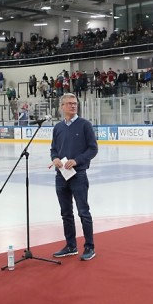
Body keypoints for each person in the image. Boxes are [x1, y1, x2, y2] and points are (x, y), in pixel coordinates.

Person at [50, 93, 99, 261]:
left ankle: (89, 247)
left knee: (83, 212)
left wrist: (77, 161)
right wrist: (55, 159)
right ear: (62, 107)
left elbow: (93, 149)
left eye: (75, 103)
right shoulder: (58, 128)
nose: (73, 106)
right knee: (66, 213)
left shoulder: (85, 125)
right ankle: (71, 245)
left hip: (78, 176)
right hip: (61, 176)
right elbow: (54, 149)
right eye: (69, 103)